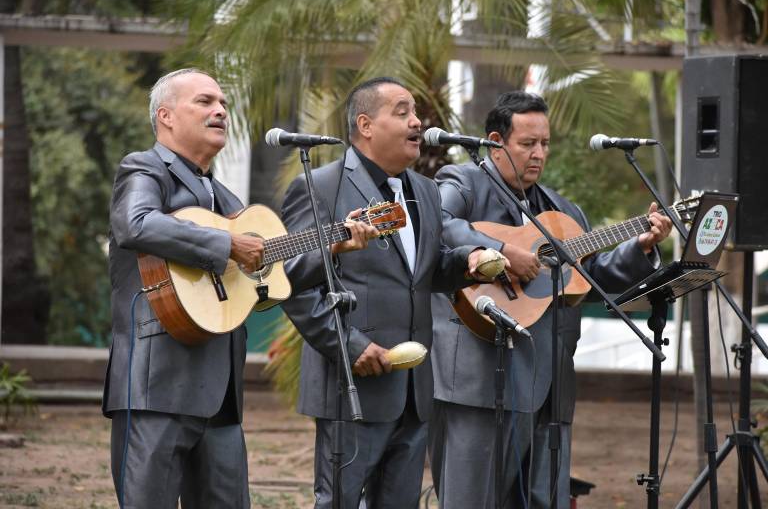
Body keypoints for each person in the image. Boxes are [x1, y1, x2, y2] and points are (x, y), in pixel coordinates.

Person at [103, 68, 373, 508]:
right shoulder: (146, 168)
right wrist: (227, 243)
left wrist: (334, 247)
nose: (220, 111)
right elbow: (135, 224)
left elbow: (274, 281)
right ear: (166, 116)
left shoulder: (228, 199)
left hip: (222, 396)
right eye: (205, 102)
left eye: (224, 104)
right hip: (155, 384)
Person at [428, 90, 673, 508]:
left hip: (549, 380)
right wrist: (501, 252)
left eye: (545, 143)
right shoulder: (461, 182)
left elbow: (588, 277)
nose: (538, 153)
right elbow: (440, 225)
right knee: (473, 499)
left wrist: (642, 246)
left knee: (544, 499)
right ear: (495, 141)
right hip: (478, 376)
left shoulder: (563, 210)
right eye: (527, 144)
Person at [280, 77, 493, 508]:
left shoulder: (426, 191)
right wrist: (351, 346)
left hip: (414, 389)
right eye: (402, 112)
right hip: (352, 385)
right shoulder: (322, 186)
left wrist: (469, 260)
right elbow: (292, 282)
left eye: (414, 112)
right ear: (365, 125)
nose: (416, 121)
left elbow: (426, 272)